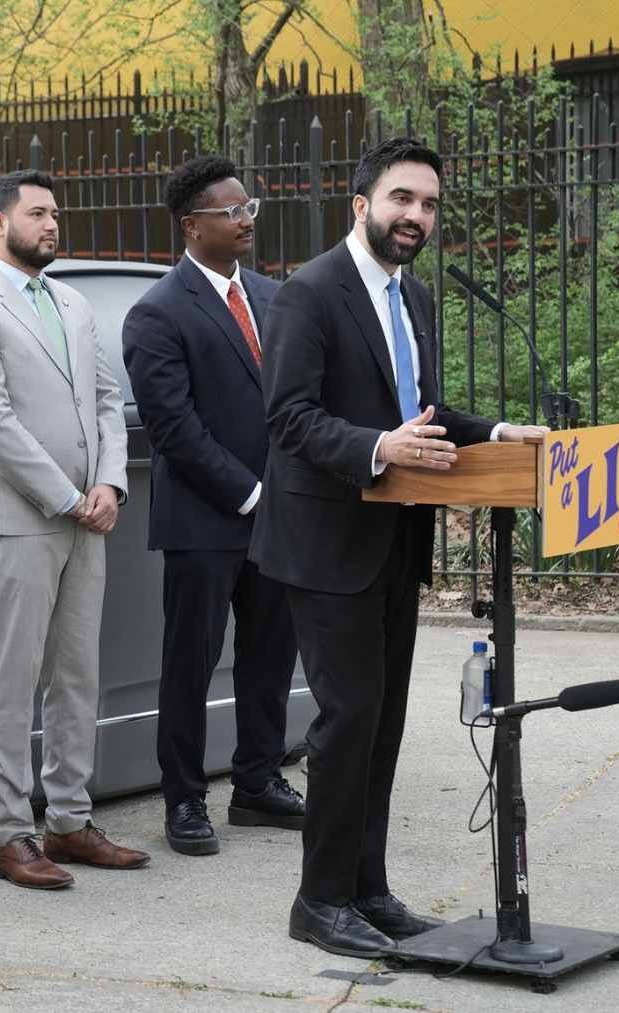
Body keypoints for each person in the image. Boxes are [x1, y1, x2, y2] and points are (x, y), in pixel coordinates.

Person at [250, 138, 548, 957]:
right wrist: (382, 448)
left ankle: (367, 888)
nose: (416, 216)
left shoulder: (411, 297)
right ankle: (318, 901)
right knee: (346, 719)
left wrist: (493, 431)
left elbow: (422, 407)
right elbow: (290, 420)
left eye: (427, 204)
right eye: (402, 200)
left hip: (394, 542)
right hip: (326, 543)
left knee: (379, 724)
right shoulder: (310, 294)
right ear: (361, 205)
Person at [0, 169, 147, 890]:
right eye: (38, 213)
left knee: (76, 673)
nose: (53, 225)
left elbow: (105, 397)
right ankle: (10, 833)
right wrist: (65, 495)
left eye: (56, 213)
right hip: (20, 520)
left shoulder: (72, 301)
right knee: (13, 675)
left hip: (88, 516)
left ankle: (68, 818)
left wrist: (109, 483)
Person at [121, 156, 303, 859]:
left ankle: (258, 781)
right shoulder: (157, 311)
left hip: (278, 516)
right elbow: (174, 428)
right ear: (193, 225)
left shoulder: (272, 296)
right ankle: (186, 797)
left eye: (248, 205)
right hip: (205, 520)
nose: (246, 218)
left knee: (269, 652)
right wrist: (250, 492)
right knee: (190, 663)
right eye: (231, 211)